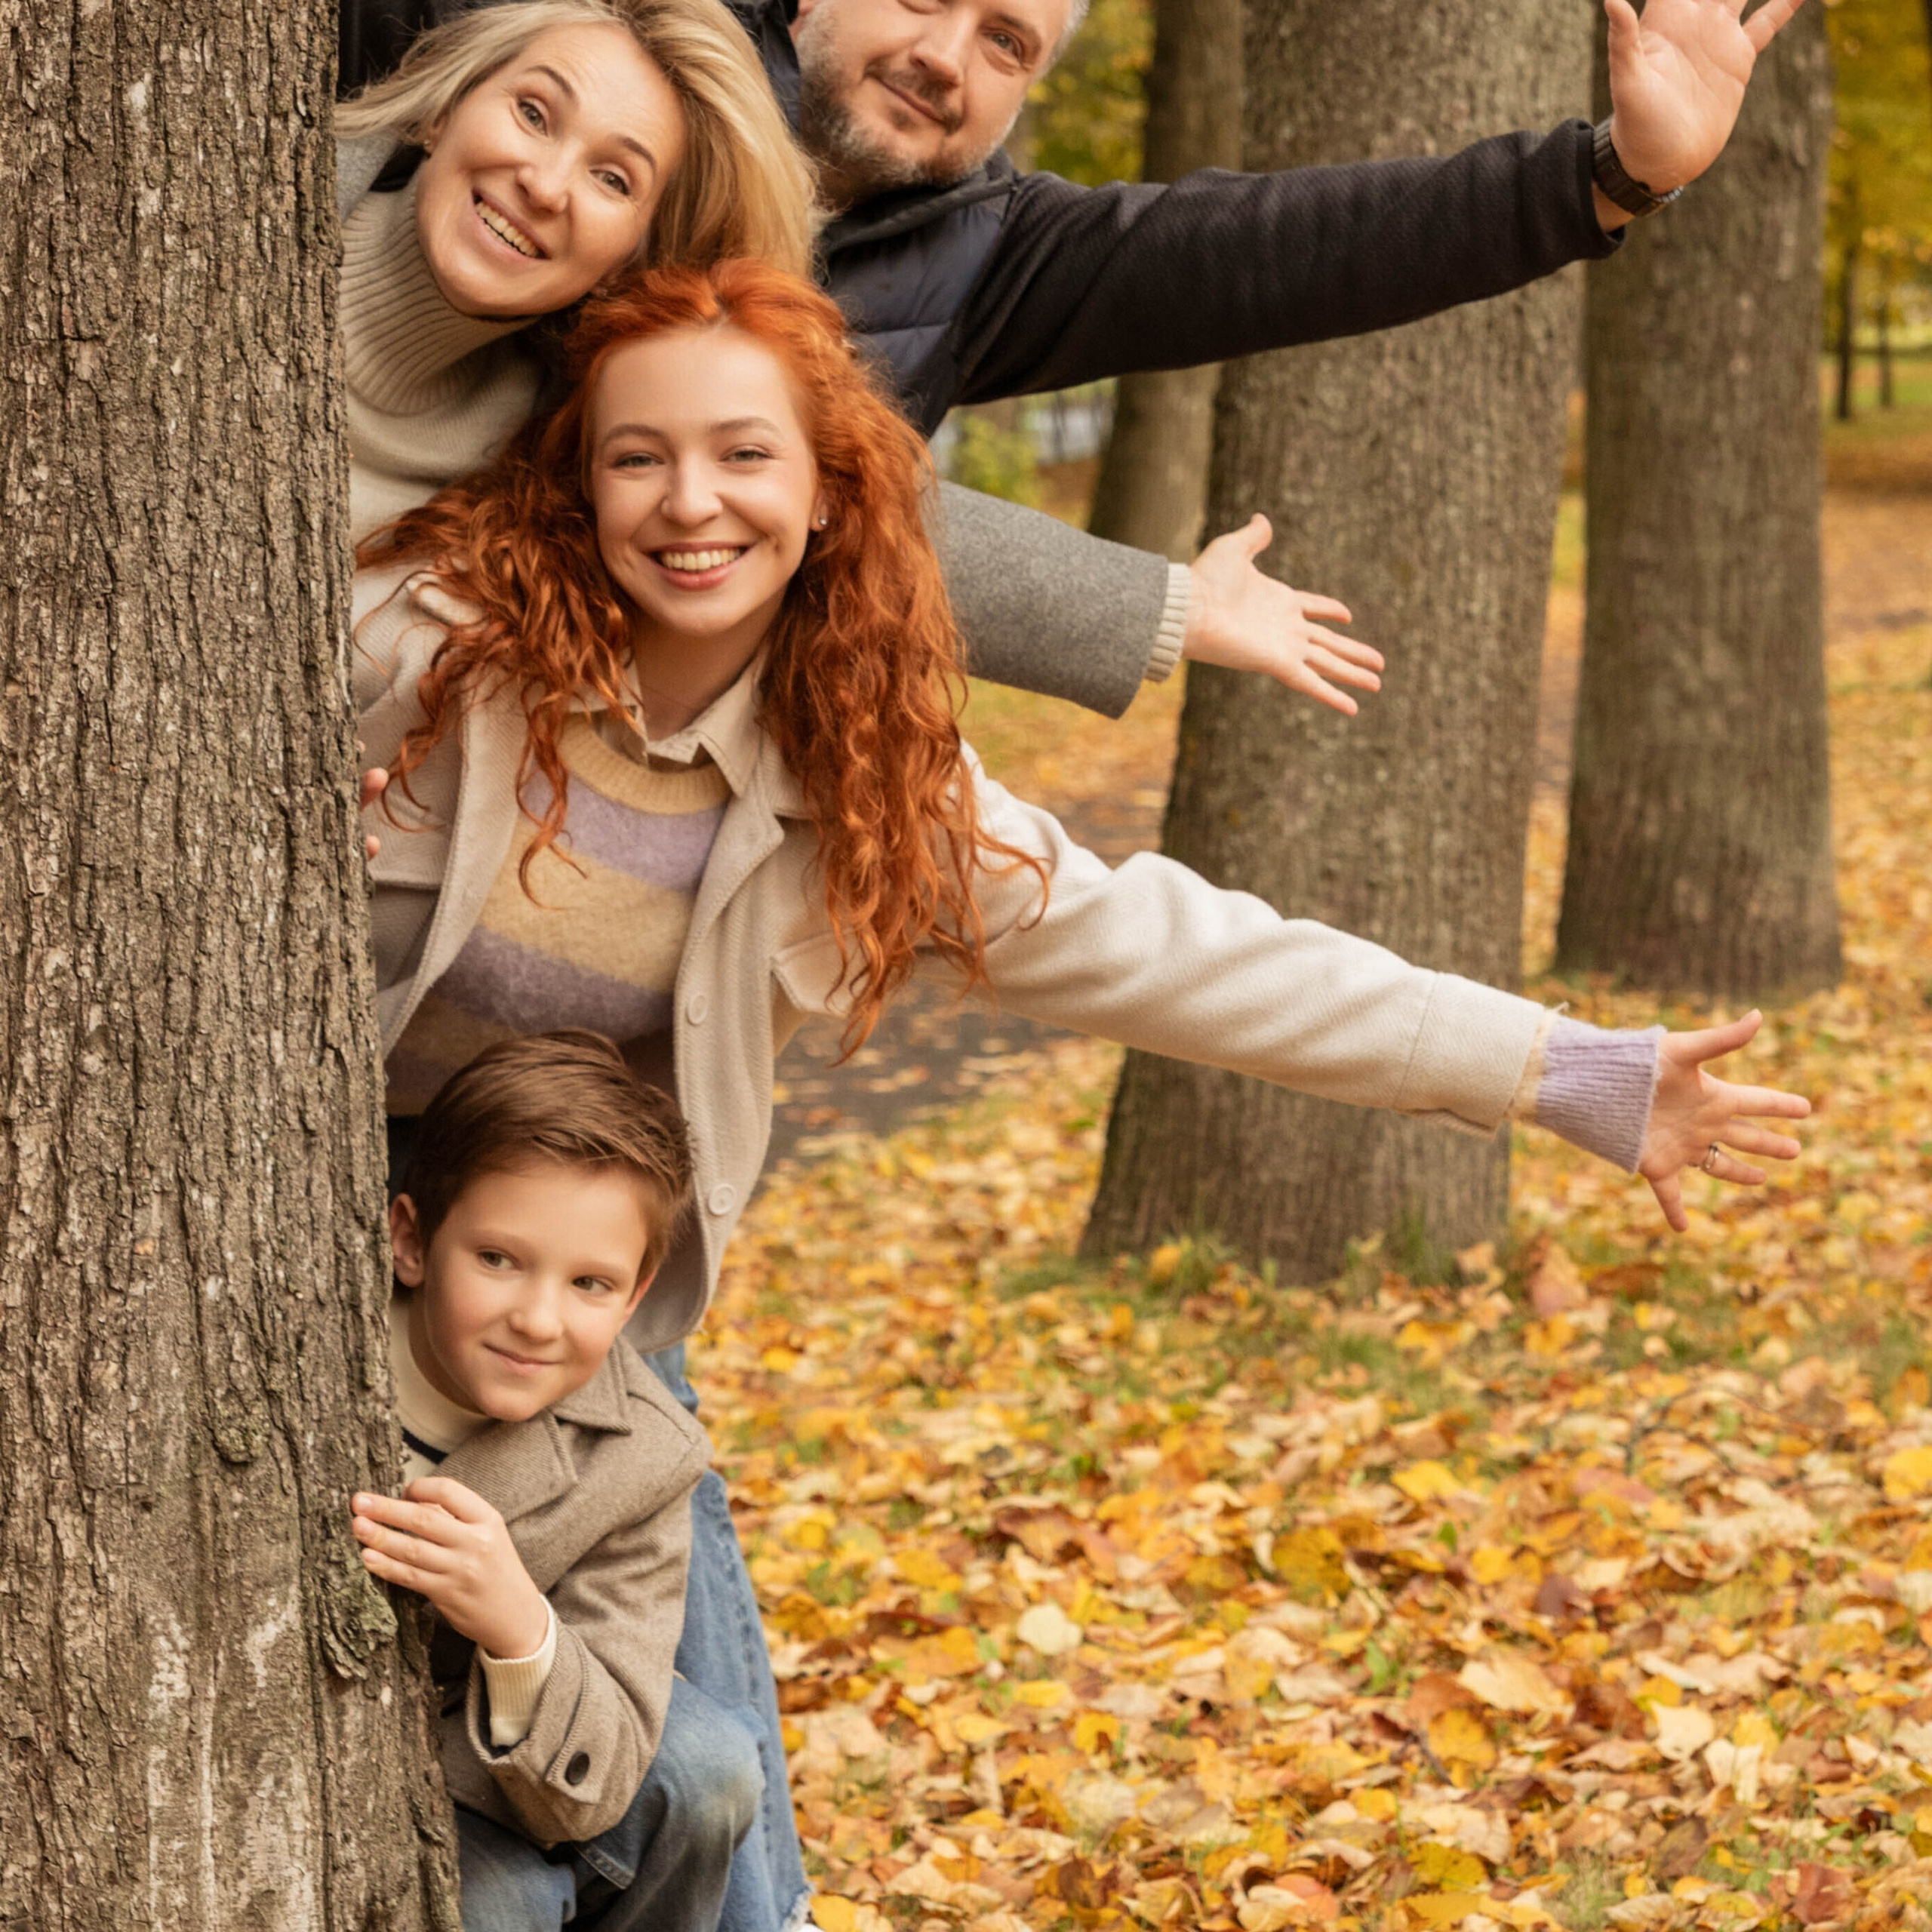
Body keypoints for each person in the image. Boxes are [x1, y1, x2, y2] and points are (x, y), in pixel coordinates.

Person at [353, 258, 1814, 1928]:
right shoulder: (433, 652)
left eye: (744, 455)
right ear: (577, 475)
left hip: (578, 1300)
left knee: (704, 1783)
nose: (691, 502)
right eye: (637, 456)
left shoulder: (865, 777)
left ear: (832, 490)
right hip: (346, 1246)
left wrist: (1558, 1070)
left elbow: (1174, 951)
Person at [334, 0, 1382, 726]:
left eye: (615, 178)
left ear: (639, 248)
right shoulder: (242, 200)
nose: (548, 182)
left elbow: (817, 491)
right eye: (529, 113)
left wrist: (1165, 607)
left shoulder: (550, 435)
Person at [338, 0, 1810, 437]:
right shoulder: (596, 63)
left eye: (1005, 46)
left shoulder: (984, 257)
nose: (946, 58)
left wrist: (1610, 172)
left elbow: (1289, 252)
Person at [359, 1028, 760, 1931]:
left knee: (711, 1767)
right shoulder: (315, 1332)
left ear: (635, 1293)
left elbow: (602, 1777)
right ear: (412, 1238)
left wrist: (516, 1622)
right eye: (497, 1259)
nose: (538, 1318)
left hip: (495, 1756)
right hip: (316, 1748)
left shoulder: (644, 1457)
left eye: (589, 1282)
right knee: (508, 1902)